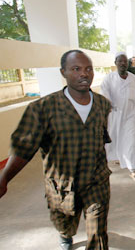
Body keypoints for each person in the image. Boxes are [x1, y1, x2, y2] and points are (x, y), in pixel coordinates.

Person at [0, 50, 112, 250]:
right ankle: (65, 234)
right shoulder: (42, 108)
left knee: (98, 232)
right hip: (63, 185)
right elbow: (23, 148)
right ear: (63, 72)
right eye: (76, 69)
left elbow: (101, 138)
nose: (84, 74)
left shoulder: (103, 105)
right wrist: (4, 177)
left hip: (97, 180)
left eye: (88, 69)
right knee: (65, 224)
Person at [101, 53, 135, 182]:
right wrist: (108, 108)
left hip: (131, 115)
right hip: (115, 114)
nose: (123, 63)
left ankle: (133, 169)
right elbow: (104, 95)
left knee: (132, 140)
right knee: (115, 138)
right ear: (115, 62)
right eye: (120, 61)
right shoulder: (108, 79)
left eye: (124, 61)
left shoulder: (133, 79)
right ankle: (117, 156)